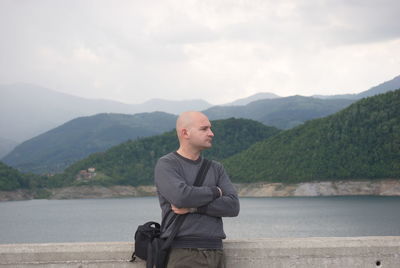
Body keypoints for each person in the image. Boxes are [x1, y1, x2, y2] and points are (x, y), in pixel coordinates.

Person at [154, 111, 240, 268]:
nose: (211, 133)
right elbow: (181, 197)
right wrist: (216, 191)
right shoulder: (167, 164)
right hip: (184, 251)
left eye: (210, 128)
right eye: (204, 129)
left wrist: (194, 207)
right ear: (185, 133)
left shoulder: (216, 168)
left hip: (216, 250)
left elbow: (233, 206)